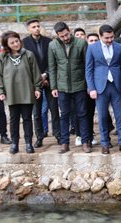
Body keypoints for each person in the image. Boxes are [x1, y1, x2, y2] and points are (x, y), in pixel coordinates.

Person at [0, 31, 42, 154]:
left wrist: (37, 88)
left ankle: (28, 143)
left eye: (17, 41)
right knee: (14, 119)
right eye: (12, 42)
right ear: (7, 45)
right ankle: (14, 143)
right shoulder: (2, 57)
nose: (16, 44)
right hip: (11, 93)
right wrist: (0, 90)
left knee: (27, 118)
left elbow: (36, 73)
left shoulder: (29, 55)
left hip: (27, 91)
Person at [85, 24, 121, 154]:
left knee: (120, 115)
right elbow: (88, 69)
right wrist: (91, 88)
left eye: (111, 37)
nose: (109, 40)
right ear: (100, 36)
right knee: (103, 116)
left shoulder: (119, 47)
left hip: (116, 85)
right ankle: (104, 143)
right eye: (106, 38)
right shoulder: (92, 48)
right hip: (100, 86)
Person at [48, 22, 89, 153]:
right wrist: (54, 86)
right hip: (62, 86)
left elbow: (87, 65)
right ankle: (64, 143)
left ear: (69, 31)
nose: (65, 38)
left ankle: (85, 141)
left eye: (66, 34)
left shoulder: (81, 43)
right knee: (64, 115)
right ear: (57, 35)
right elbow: (52, 67)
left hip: (80, 85)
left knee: (82, 113)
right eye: (62, 36)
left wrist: (88, 85)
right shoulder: (52, 45)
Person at [22, 19, 51, 148]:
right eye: (33, 27)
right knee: (37, 112)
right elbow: (25, 64)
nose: (37, 28)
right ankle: (39, 137)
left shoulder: (48, 42)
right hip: (34, 82)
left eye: (38, 26)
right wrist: (37, 78)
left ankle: (58, 135)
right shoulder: (24, 43)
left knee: (54, 109)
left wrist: (45, 74)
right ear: (29, 29)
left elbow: (52, 61)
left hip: (48, 79)